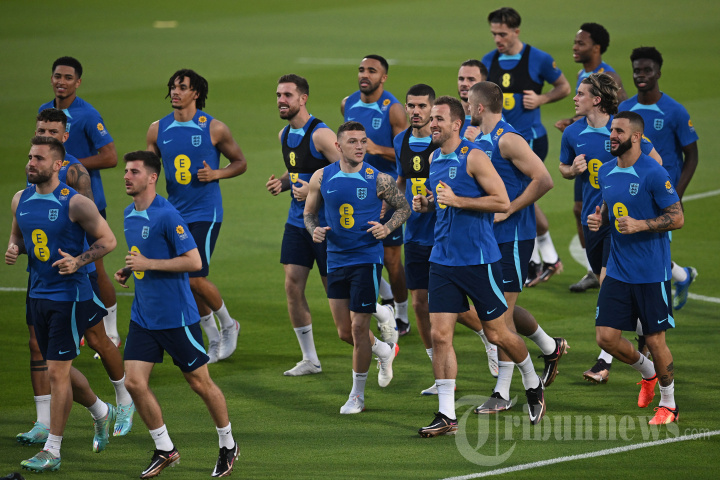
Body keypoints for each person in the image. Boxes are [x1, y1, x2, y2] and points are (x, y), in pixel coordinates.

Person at [413, 97, 546, 437]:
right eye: (431, 118)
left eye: (439, 118)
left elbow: (501, 201)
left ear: (456, 124)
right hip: (442, 259)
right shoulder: (433, 158)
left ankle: (532, 381)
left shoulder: (473, 156)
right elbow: (443, 201)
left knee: (498, 333)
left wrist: (458, 201)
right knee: (440, 335)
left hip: (478, 260)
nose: (432, 124)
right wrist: (428, 203)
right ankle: (446, 415)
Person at [115, 150, 239, 478]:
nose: (126, 176)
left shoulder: (168, 215)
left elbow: (194, 261)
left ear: (152, 178)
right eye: (126, 171)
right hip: (144, 316)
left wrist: (148, 264)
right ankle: (165, 449)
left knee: (199, 382)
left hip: (176, 318)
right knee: (134, 383)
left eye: (134, 172)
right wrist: (131, 268)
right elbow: (144, 252)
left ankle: (228, 444)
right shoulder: (129, 213)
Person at [16, 110, 134, 448]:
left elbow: (91, 226)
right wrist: (17, 247)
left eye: (53, 131)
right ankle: (43, 422)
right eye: (41, 129)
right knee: (38, 347)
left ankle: (124, 398)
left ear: (64, 137)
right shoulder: (34, 170)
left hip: (75, 276)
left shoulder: (74, 172)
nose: (46, 135)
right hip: (40, 277)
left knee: (97, 339)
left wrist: (81, 264)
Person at [7, 136, 118, 472]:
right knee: (59, 369)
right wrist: (14, 248)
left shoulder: (75, 203)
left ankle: (52, 450)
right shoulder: (21, 199)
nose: (31, 163)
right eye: (30, 157)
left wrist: (79, 261)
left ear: (58, 165)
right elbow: (19, 235)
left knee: (56, 372)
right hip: (37, 294)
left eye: (39, 158)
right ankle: (101, 411)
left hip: (68, 297)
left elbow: (108, 240)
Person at [466, 82, 567, 414]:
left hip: (512, 238)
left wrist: (510, 208)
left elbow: (544, 179)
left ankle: (503, 392)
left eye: (469, 103)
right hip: (488, 238)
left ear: (480, 107)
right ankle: (550, 347)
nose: (466, 107)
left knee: (501, 320)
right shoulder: (479, 139)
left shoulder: (508, 139)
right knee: (494, 311)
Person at [395, 84, 498, 396]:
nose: (416, 112)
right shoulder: (402, 141)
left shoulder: (453, 146)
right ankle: (438, 374)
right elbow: (404, 181)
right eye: (411, 106)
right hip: (416, 234)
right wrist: (404, 205)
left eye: (423, 107)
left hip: (450, 239)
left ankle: (490, 339)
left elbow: (492, 196)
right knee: (420, 303)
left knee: (456, 307)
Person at [559, 73, 661, 384]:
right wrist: (571, 170)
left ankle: (604, 360)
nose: (575, 98)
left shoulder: (620, 131)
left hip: (619, 223)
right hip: (593, 221)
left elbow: (655, 162)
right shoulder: (573, 132)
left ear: (597, 99)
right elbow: (563, 167)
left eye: (581, 93)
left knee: (606, 281)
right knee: (606, 280)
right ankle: (644, 330)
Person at [303, 121, 410, 414]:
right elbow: (309, 214)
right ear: (338, 146)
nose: (360, 146)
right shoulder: (322, 176)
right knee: (343, 332)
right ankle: (384, 350)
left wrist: (387, 228)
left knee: (359, 327)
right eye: (352, 142)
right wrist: (314, 230)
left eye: (363, 141)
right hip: (336, 259)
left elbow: (404, 208)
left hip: (366, 259)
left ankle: (357, 396)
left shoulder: (378, 179)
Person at [587, 111, 682, 425]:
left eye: (619, 131)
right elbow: (610, 205)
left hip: (651, 272)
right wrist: (600, 218)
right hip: (618, 269)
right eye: (612, 130)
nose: (612, 136)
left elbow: (677, 217)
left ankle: (669, 404)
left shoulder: (653, 173)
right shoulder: (607, 171)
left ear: (637, 137)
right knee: (606, 338)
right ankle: (648, 372)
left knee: (655, 341)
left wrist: (641, 224)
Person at [147, 69, 248, 363]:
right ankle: (213, 339)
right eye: (173, 87)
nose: (175, 92)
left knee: (194, 276)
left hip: (205, 212)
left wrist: (217, 173)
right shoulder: (157, 129)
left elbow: (240, 162)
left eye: (182, 87)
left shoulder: (213, 128)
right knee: (185, 279)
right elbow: (150, 172)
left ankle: (229, 325)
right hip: (174, 213)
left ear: (196, 93)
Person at [482, 8, 571, 286]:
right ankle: (545, 258)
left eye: (503, 34)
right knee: (520, 199)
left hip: (529, 139)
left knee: (521, 197)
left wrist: (542, 99)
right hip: (499, 142)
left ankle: (536, 260)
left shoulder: (538, 58)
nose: (498, 39)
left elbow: (564, 87)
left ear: (516, 31)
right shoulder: (489, 60)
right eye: (494, 34)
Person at [38, 56, 120, 349]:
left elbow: (110, 156)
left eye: (68, 77)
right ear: (51, 78)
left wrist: (68, 166)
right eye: (57, 76)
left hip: (86, 202)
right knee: (61, 261)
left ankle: (110, 329)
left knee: (95, 268)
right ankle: (81, 322)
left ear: (78, 82)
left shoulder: (87, 115)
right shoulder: (45, 112)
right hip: (55, 205)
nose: (61, 82)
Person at [267, 74, 339, 376]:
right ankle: (310, 358)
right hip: (297, 223)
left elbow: (350, 170)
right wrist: (283, 183)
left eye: (287, 95)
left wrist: (312, 189)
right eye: (278, 95)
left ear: (303, 98)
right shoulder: (284, 134)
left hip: (326, 226)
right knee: (292, 285)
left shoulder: (321, 134)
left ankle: (381, 314)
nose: (281, 100)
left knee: (336, 292)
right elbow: (297, 170)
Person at [619, 47, 699, 310]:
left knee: (654, 253)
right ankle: (682, 276)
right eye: (637, 71)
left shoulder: (675, 111)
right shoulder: (625, 109)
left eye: (647, 70)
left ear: (658, 73)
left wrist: (677, 194)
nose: (641, 75)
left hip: (662, 193)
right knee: (638, 249)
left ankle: (656, 317)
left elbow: (692, 156)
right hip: (632, 191)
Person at [554, 24, 628, 292]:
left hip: (618, 209)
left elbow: (622, 108)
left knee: (616, 275)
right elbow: (563, 167)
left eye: (581, 43)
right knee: (581, 210)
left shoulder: (607, 77)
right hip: (589, 182)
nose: (575, 47)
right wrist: (572, 124)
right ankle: (593, 272)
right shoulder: (582, 77)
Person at [341, 55, 411, 335]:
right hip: (356, 191)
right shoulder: (347, 104)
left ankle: (402, 314)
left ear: (383, 78)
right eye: (361, 69)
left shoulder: (393, 109)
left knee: (392, 261)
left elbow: (407, 154)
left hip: (387, 191)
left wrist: (377, 149)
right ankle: (387, 298)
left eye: (372, 70)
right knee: (356, 251)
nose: (364, 75)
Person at [456, 59, 488, 141]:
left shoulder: (492, 119)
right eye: (461, 79)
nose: (464, 84)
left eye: (471, 79)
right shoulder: (447, 116)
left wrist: (478, 141)